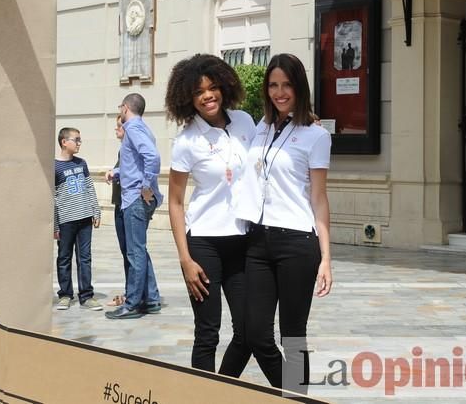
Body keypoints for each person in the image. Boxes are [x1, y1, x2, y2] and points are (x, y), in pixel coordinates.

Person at [235, 53, 333, 394]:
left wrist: (326, 259)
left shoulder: (315, 136)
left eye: (287, 84)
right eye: (273, 85)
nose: (279, 92)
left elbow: (319, 199)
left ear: (299, 87)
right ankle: (294, 395)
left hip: (297, 243)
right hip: (257, 241)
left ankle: (296, 396)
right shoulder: (260, 128)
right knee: (255, 332)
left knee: (293, 334)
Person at [165, 54, 255, 375]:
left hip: (243, 243)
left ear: (224, 87)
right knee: (208, 334)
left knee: (249, 332)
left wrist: (303, 122)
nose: (208, 95)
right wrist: (185, 260)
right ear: (188, 98)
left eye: (213, 87)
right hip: (204, 245)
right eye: (199, 91)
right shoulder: (187, 141)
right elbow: (175, 202)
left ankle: (221, 388)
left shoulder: (245, 121)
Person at [105, 93, 163, 320]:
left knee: (134, 252)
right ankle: (152, 300)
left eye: (120, 106)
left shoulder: (133, 129)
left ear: (126, 107)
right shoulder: (142, 128)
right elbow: (135, 163)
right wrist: (117, 172)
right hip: (135, 197)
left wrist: (146, 186)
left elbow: (152, 157)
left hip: (135, 199)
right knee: (139, 250)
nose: (120, 109)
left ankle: (132, 304)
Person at [54, 127, 103, 311]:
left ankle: (87, 296)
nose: (79, 143)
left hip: (85, 218)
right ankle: (65, 294)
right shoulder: (54, 167)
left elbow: (89, 188)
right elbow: (52, 197)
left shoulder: (82, 163)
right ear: (64, 142)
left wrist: (96, 211)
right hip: (66, 220)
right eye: (76, 140)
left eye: (80, 140)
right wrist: (55, 224)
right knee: (64, 257)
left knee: (85, 258)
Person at [106, 114, 129, 308]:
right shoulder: (123, 150)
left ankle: (135, 294)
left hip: (126, 206)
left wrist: (115, 173)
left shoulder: (129, 150)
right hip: (120, 204)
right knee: (128, 252)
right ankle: (133, 291)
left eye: (118, 127)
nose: (116, 130)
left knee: (132, 252)